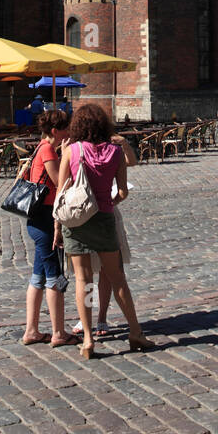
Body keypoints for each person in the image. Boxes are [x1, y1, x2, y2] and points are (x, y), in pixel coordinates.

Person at [53, 104, 155, 359]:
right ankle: (135, 332)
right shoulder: (116, 153)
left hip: (76, 222)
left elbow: (61, 192)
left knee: (83, 281)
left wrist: (57, 226)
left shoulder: (72, 151)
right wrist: (107, 203)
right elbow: (123, 192)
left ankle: (87, 339)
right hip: (104, 220)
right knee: (117, 278)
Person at [22, 110, 77, 348]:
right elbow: (60, 182)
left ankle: (32, 330)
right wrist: (66, 156)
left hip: (37, 218)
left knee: (38, 277)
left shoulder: (43, 147)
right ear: (56, 131)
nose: (69, 133)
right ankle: (58, 332)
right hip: (45, 220)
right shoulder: (47, 149)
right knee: (54, 277)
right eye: (66, 129)